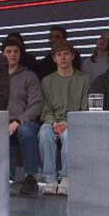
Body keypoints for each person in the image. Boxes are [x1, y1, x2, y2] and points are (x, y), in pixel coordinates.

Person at [38, 41, 90, 196]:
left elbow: (85, 108)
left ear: (72, 56)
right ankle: (49, 179)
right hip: (53, 121)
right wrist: (54, 123)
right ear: (54, 58)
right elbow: (45, 108)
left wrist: (68, 123)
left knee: (69, 135)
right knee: (44, 133)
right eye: (59, 55)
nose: (63, 58)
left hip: (74, 122)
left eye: (66, 54)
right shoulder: (47, 81)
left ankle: (66, 178)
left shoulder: (84, 79)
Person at [2, 39, 43, 195]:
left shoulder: (29, 76)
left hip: (24, 120)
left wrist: (19, 121)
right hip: (2, 120)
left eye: (16, 52)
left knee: (25, 131)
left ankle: (30, 177)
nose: (12, 55)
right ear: (3, 54)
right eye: (9, 52)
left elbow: (36, 104)